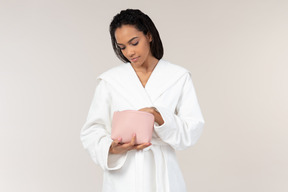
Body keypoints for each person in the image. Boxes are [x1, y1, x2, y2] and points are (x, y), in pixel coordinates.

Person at [80, 9, 205, 192]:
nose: (130, 52)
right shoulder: (110, 81)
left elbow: (193, 128)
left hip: (163, 174)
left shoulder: (178, 77)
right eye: (122, 47)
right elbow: (91, 130)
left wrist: (159, 117)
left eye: (134, 43)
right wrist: (113, 148)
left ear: (149, 35)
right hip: (124, 176)